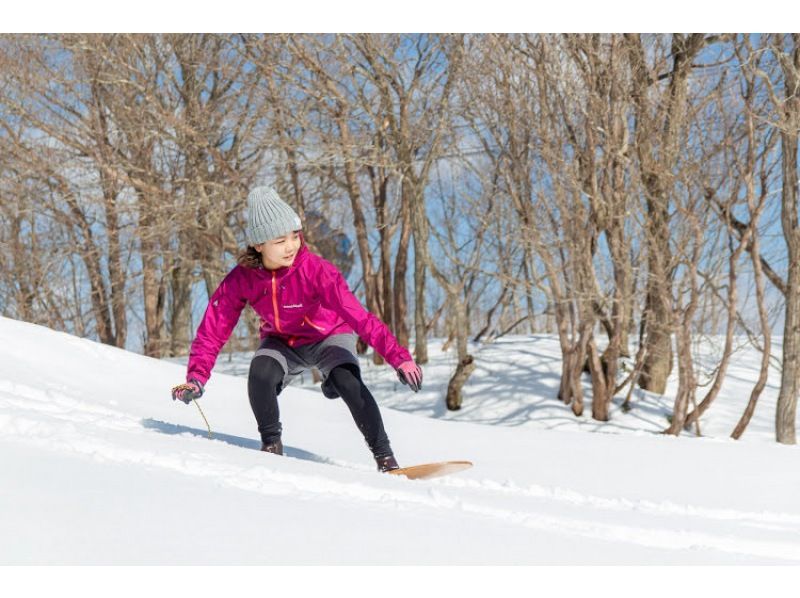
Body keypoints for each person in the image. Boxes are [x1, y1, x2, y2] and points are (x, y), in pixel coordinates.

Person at [171, 186, 422, 472]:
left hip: (328, 337)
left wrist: (398, 356)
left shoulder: (316, 270)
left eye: (294, 236)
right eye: (280, 240)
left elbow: (358, 316)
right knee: (260, 374)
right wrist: (196, 377)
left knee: (347, 380)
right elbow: (213, 328)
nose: (291, 246)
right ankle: (271, 447)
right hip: (282, 342)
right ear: (259, 245)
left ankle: (386, 459)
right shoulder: (243, 278)